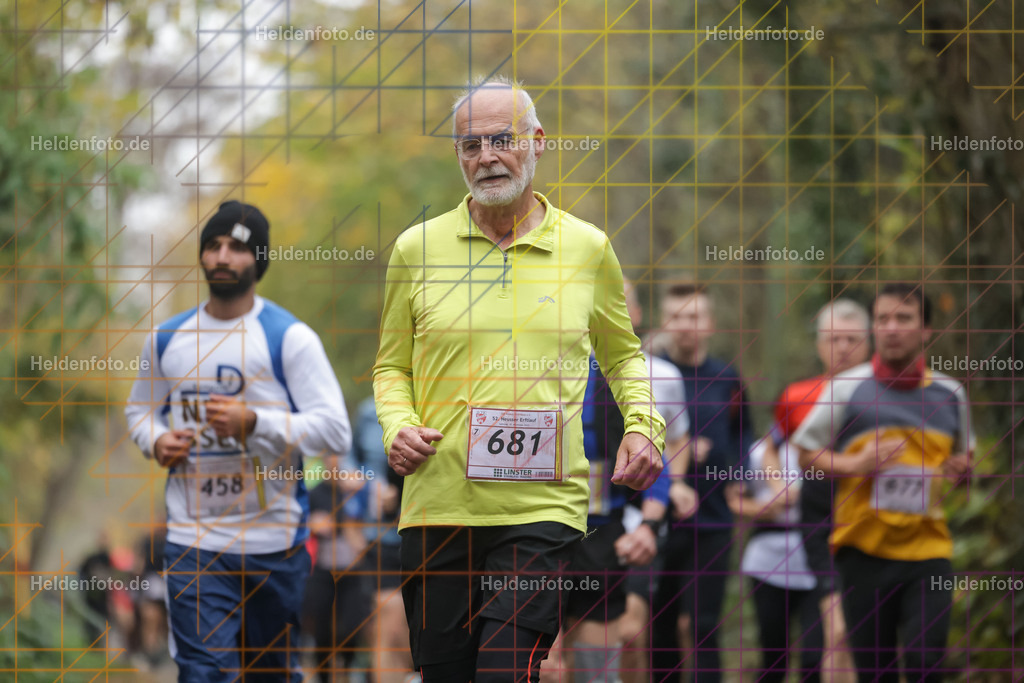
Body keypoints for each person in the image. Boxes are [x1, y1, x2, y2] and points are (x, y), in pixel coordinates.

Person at [372, 76, 667, 683]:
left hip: (543, 506)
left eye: (501, 140)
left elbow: (623, 355)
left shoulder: (588, 249)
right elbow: (391, 367)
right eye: (470, 145)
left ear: (537, 141)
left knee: (507, 671)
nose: (486, 157)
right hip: (439, 504)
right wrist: (397, 426)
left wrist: (644, 426)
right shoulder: (415, 249)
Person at [125, 200, 352, 683]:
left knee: (269, 674)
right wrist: (157, 440)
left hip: (275, 543)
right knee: (204, 672)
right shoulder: (166, 339)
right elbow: (139, 411)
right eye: (213, 246)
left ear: (259, 260)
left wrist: (257, 423)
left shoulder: (288, 338)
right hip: (194, 540)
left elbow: (335, 430)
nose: (223, 256)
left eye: (237, 247)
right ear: (203, 257)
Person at [793, 283, 974, 683]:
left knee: (927, 664)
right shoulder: (845, 388)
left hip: (928, 551)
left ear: (927, 330)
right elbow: (806, 456)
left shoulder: (951, 394)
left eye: (904, 319)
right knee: (876, 673)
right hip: (863, 553)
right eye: (883, 319)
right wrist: (854, 462)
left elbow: (963, 467)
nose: (891, 328)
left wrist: (963, 473)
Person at [552, 279, 693, 683]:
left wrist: (650, 526)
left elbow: (657, 462)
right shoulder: (530, 368)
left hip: (602, 529)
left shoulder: (633, 380)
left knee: (600, 668)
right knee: (540, 666)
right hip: (534, 527)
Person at [652, 281, 754, 683]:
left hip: (712, 521)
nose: (684, 326)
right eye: (676, 317)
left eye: (693, 316)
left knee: (704, 626)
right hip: (658, 518)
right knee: (660, 629)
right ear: (664, 322)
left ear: (710, 324)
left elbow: (745, 431)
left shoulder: (727, 378)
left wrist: (741, 473)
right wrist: (677, 447)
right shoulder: (646, 375)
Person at [774, 298, 872, 683]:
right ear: (818, 344)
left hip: (874, 518)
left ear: (869, 341)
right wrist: (775, 483)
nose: (843, 347)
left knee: (865, 632)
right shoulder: (797, 395)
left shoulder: (885, 393)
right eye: (834, 339)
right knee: (838, 630)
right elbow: (774, 444)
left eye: (852, 339)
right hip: (820, 518)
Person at [349, 396, 417, 683]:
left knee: (421, 630)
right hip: (385, 539)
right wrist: (370, 490)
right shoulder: (368, 411)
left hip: (440, 534)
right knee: (387, 625)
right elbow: (348, 464)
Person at [304, 454, 374, 683]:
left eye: (339, 456)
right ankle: (323, 676)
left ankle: (347, 669)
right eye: (330, 456)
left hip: (353, 569)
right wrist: (312, 523)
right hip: (324, 569)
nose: (335, 462)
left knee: (352, 627)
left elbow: (374, 518)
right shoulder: (314, 493)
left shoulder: (357, 489)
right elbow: (301, 522)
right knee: (322, 628)